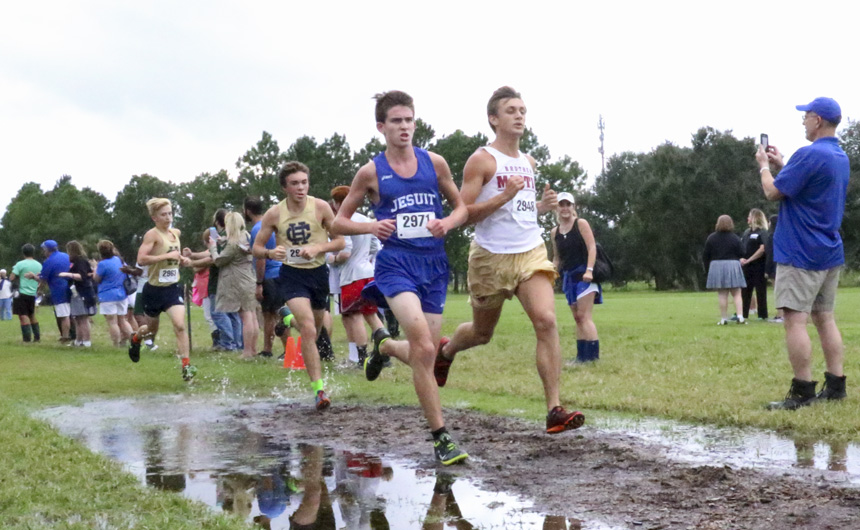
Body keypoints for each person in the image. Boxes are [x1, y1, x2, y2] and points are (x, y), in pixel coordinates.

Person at [433, 86, 585, 435]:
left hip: (530, 252)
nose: (519, 116)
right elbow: (464, 214)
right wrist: (505, 195)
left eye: (522, 110)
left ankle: (554, 409)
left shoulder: (528, 162)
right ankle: (447, 351)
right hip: (490, 258)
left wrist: (541, 206)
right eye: (511, 110)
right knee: (481, 333)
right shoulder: (482, 160)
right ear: (493, 119)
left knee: (546, 321)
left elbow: (519, 210)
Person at [331, 90, 469, 465]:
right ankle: (441, 437)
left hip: (434, 265)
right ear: (382, 127)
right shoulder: (371, 172)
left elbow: (461, 208)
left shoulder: (435, 163)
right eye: (396, 121)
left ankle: (386, 347)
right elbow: (339, 222)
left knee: (427, 353)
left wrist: (447, 223)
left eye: (409, 120)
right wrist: (372, 226)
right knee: (423, 346)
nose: (404, 127)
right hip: (396, 266)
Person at [756, 97, 850, 410]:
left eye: (806, 116)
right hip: (829, 249)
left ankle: (803, 391)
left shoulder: (809, 154)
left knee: (795, 320)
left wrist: (764, 167)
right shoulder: (839, 156)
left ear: (818, 120)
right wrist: (784, 165)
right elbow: (807, 187)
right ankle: (836, 386)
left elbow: (772, 192)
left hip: (800, 251)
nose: (803, 121)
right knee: (825, 318)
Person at [252, 161, 345, 410]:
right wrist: (271, 253)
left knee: (314, 329)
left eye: (304, 182)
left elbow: (339, 242)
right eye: (294, 183)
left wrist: (318, 248)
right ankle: (319, 391)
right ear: (285, 187)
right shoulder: (274, 214)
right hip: (292, 275)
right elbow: (256, 248)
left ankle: (287, 318)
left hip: (318, 274)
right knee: (309, 329)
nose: (301, 188)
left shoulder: (321, 207)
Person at [129, 197, 196, 381]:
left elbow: (175, 257)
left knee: (180, 325)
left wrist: (183, 260)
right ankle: (136, 338)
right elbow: (141, 260)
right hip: (154, 290)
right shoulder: (152, 235)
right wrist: (166, 256)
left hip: (172, 288)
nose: (168, 217)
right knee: (150, 331)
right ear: (154, 218)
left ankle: (186, 366)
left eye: (170, 213)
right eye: (163, 214)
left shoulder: (175, 233)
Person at [330, 185, 385, 367]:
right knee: (371, 314)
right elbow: (375, 247)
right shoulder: (365, 220)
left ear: (338, 203)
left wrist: (332, 259)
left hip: (352, 274)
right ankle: (384, 353)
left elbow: (345, 252)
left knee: (354, 315)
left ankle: (361, 359)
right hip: (368, 272)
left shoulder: (343, 222)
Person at [551, 192, 602, 363]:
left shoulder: (581, 224)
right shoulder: (555, 232)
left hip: (584, 275)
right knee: (577, 317)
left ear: (573, 207)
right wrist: (551, 275)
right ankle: (581, 356)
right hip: (569, 277)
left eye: (568, 204)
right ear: (557, 208)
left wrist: (589, 270)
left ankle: (592, 357)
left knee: (584, 315)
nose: (565, 208)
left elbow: (592, 247)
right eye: (561, 204)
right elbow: (557, 257)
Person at [210, 211, 259, 360]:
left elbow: (219, 261)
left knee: (246, 316)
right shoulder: (247, 236)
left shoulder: (232, 244)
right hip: (249, 278)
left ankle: (247, 351)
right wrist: (222, 241)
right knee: (252, 315)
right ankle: (253, 349)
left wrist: (213, 248)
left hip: (238, 282)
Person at [245, 196, 287, 358]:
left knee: (274, 314)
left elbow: (261, 259)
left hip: (269, 275)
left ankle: (285, 348)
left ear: (247, 211)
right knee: (274, 313)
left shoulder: (258, 229)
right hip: (281, 272)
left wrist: (259, 283)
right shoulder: (273, 226)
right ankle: (268, 349)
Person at [703, 215, 747, 325]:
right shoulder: (735, 238)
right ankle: (740, 317)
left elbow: (706, 255)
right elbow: (742, 252)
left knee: (722, 294)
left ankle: (724, 319)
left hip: (717, 266)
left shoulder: (711, 238)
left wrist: (708, 268)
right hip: (732, 265)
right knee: (737, 293)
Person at [95, 240, 134, 347]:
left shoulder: (102, 264)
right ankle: (134, 341)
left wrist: (95, 268)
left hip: (107, 295)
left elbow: (97, 279)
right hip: (122, 294)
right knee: (123, 320)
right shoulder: (118, 260)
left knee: (112, 322)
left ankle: (116, 344)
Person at [59, 240, 96, 347]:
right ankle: (79, 341)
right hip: (77, 292)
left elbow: (82, 276)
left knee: (83, 318)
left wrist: (68, 274)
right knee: (78, 318)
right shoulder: (79, 262)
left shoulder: (80, 262)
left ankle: (86, 341)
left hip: (82, 292)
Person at [38, 239, 72, 342]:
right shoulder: (66, 256)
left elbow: (43, 279)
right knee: (72, 313)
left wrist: (39, 290)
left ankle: (65, 336)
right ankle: (74, 334)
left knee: (64, 315)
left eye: (44, 249)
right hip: (71, 287)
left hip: (59, 290)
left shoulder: (49, 261)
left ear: (47, 250)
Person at [740, 208, 769, 321]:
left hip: (759, 265)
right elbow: (742, 246)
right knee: (745, 290)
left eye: (749, 216)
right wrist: (742, 258)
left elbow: (762, 249)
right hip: (746, 266)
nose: (748, 218)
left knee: (760, 290)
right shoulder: (747, 232)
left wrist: (750, 259)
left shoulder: (763, 232)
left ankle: (762, 315)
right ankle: (743, 313)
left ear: (755, 218)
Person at [10, 244, 42, 342]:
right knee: (31, 314)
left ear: (23, 253)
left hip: (22, 292)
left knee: (23, 315)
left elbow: (11, 277)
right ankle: (37, 337)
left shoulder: (20, 264)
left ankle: (27, 338)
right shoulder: (39, 264)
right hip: (32, 292)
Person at [764, 214, 784, 323]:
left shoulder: (771, 236)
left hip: (774, 266)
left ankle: (780, 315)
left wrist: (767, 270)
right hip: (783, 264)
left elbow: (769, 253)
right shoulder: (783, 235)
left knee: (778, 291)